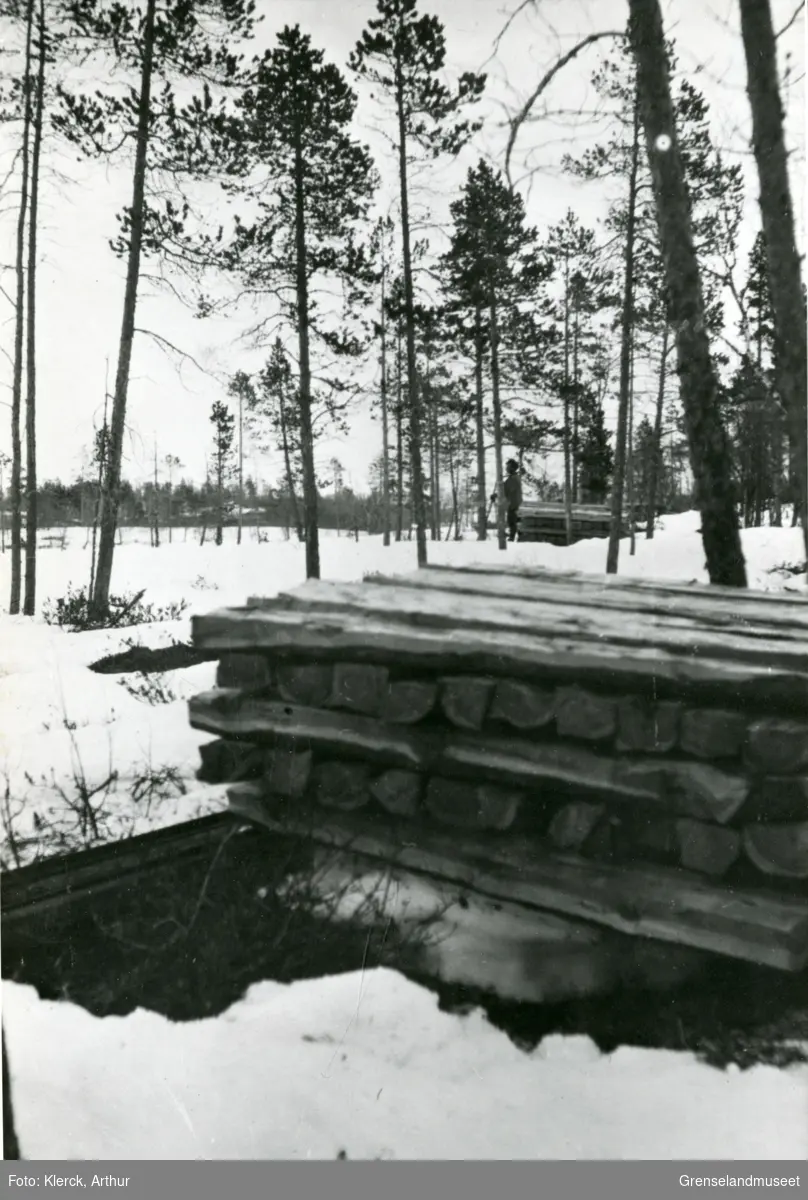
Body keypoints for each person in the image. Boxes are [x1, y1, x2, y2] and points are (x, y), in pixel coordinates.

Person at [491, 459, 522, 542]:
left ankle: (514, 537)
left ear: (512, 468)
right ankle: (516, 537)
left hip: (514, 504)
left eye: (508, 467)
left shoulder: (514, 479)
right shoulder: (512, 478)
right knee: (514, 521)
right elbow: (504, 488)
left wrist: (496, 495)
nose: (506, 469)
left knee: (513, 521)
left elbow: (505, 490)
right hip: (514, 504)